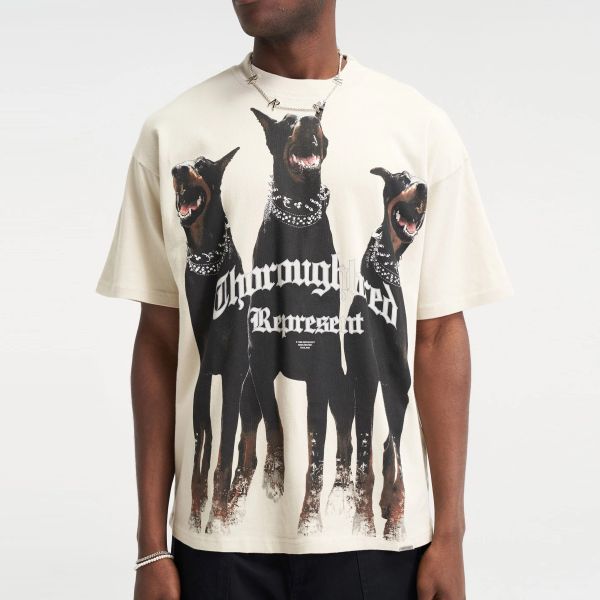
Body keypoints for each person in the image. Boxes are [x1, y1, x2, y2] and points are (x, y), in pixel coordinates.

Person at [96, 1, 513, 598]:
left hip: (376, 543)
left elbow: (439, 334)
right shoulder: (173, 133)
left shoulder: (417, 128)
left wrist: (450, 535)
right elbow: (160, 342)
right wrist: (150, 548)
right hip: (216, 546)